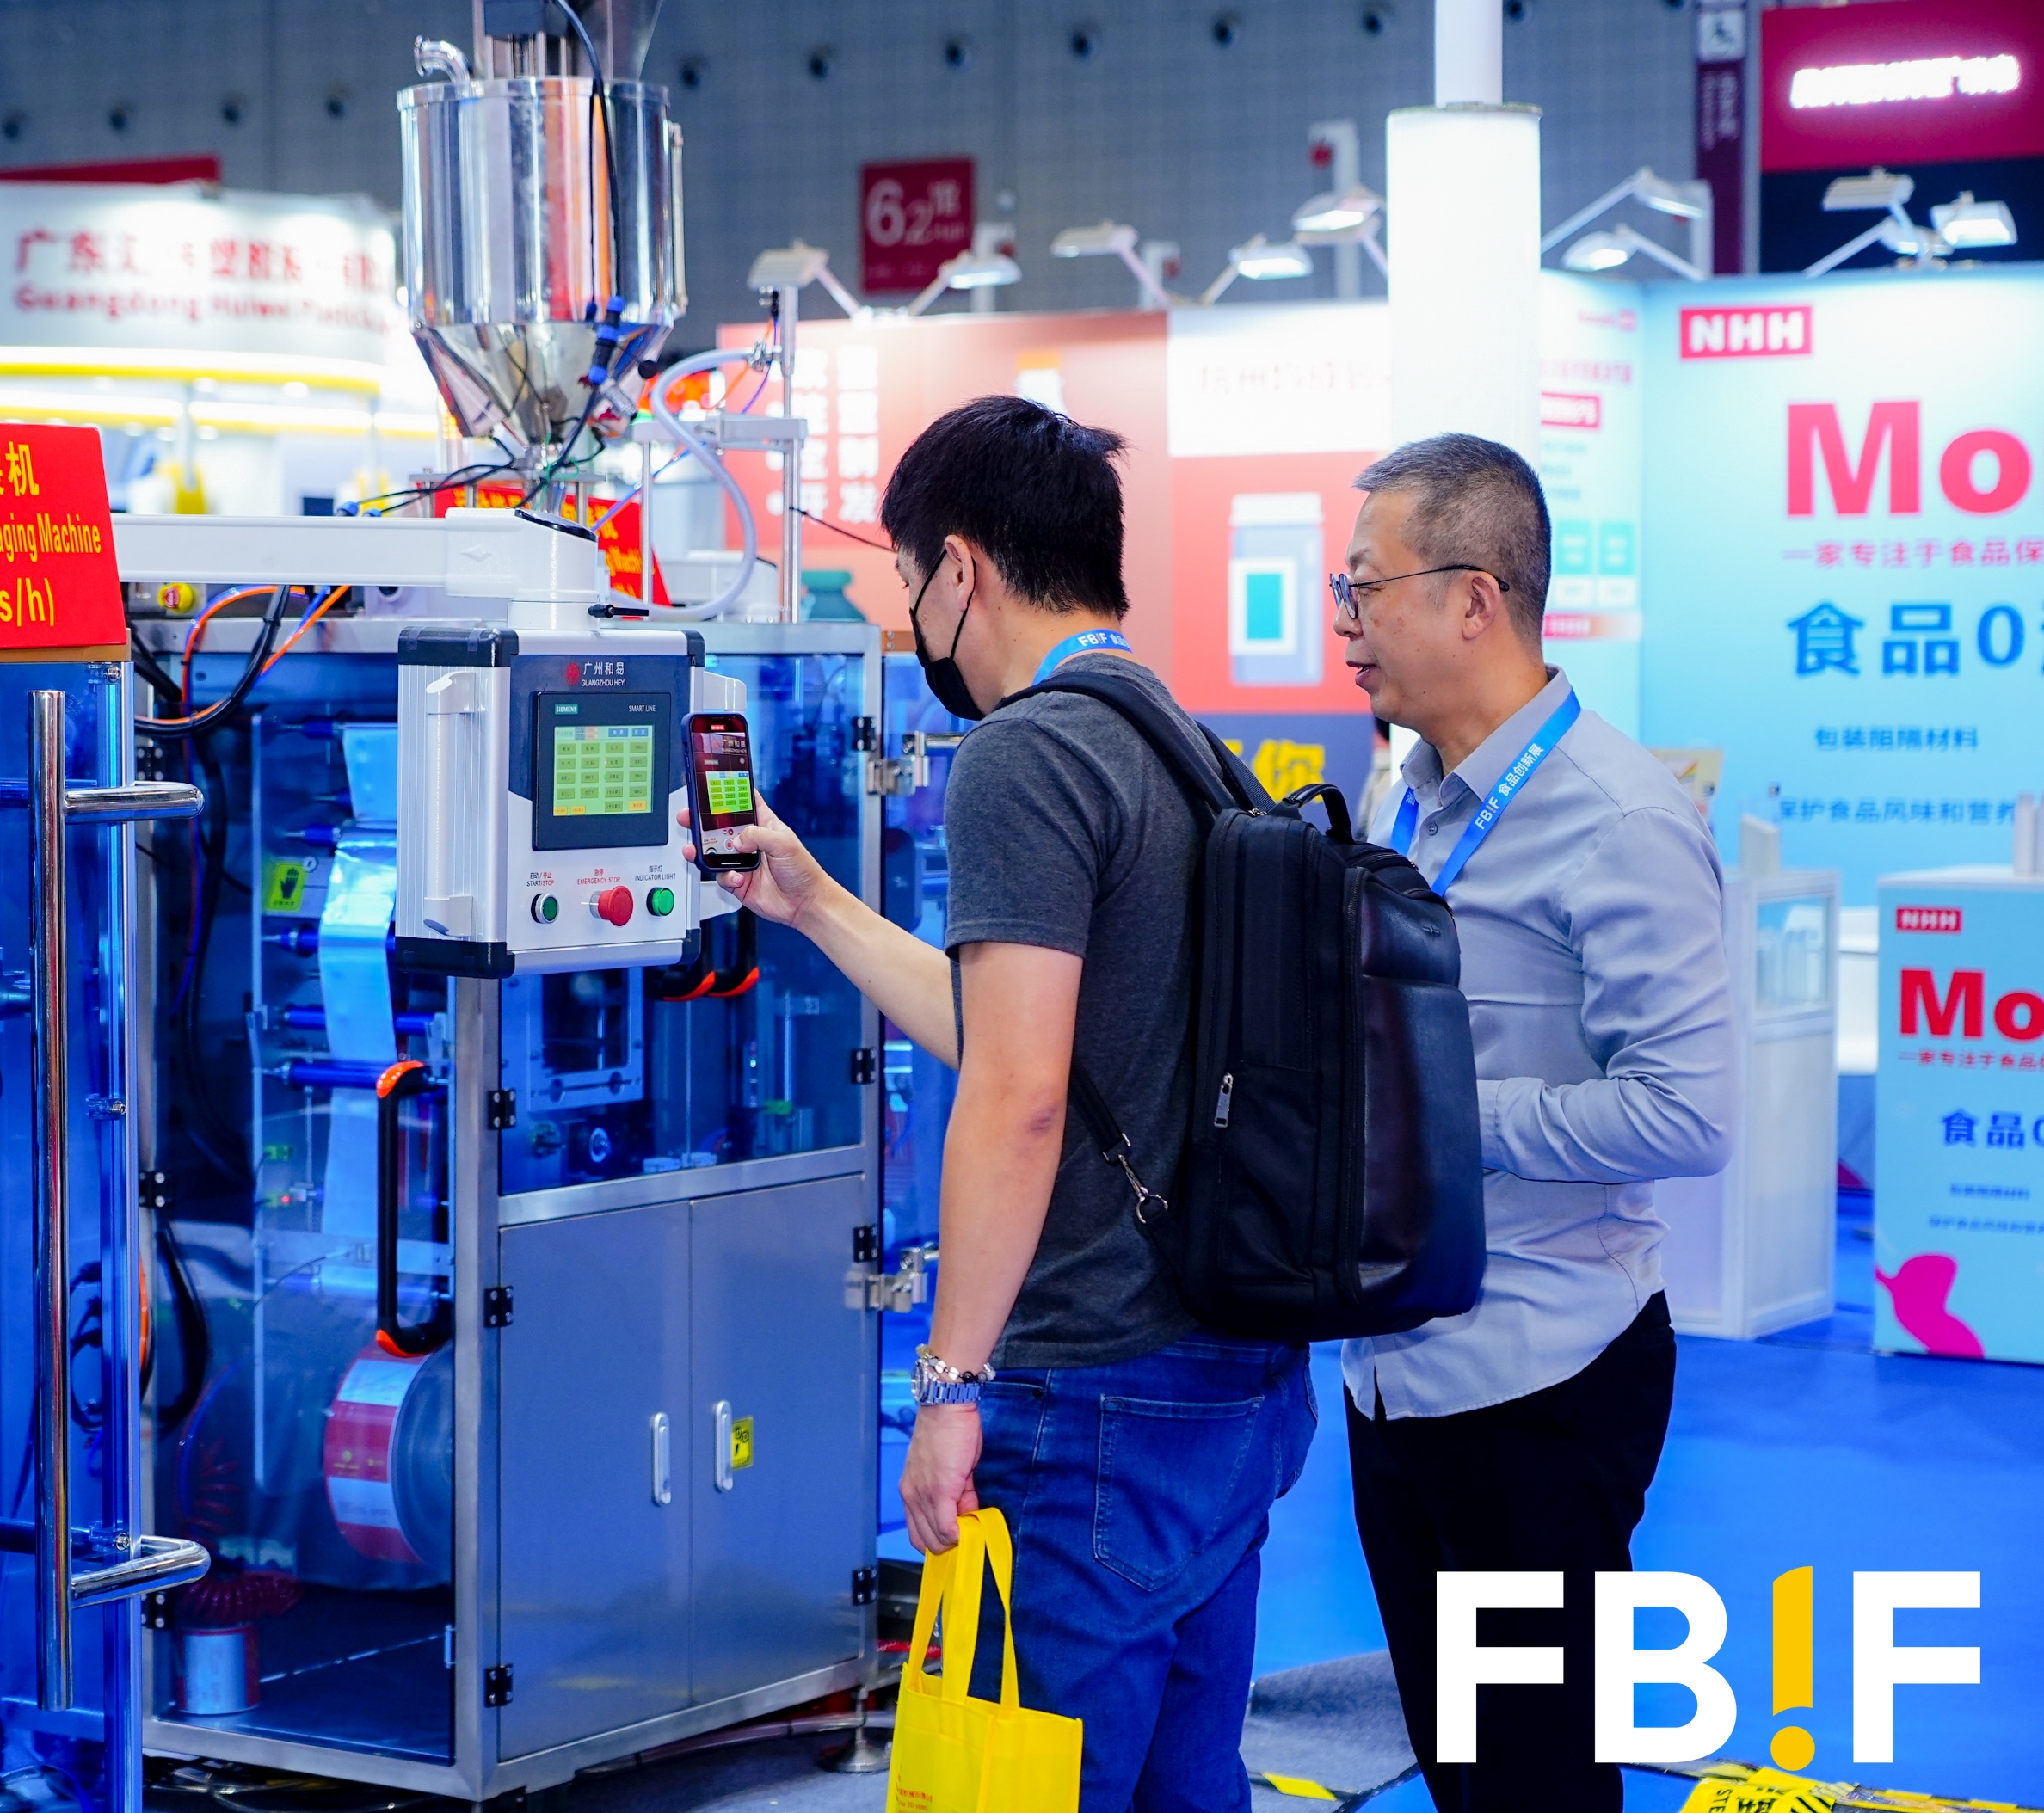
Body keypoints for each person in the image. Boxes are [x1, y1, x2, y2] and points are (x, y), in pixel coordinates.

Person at [714, 395, 1314, 1810]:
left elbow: (1020, 1101)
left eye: (903, 580)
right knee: (1186, 1782)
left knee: (1039, 1781)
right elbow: (1030, 1039)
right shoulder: (1184, 744)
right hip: (1228, 1374)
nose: (906, 618)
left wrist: (947, 1385)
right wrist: (814, 904)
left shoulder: (1026, 755)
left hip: (1094, 1391)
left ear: (961, 568)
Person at [1332, 433, 1738, 1813]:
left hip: (1541, 1374)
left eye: (1365, 586)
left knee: (1536, 1783)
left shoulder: (1618, 820)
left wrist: (1440, 1115)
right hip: (1393, 1369)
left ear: (1473, 599)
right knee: (1460, 1771)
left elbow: (1687, 1112)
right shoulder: (1399, 792)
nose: (1345, 622)